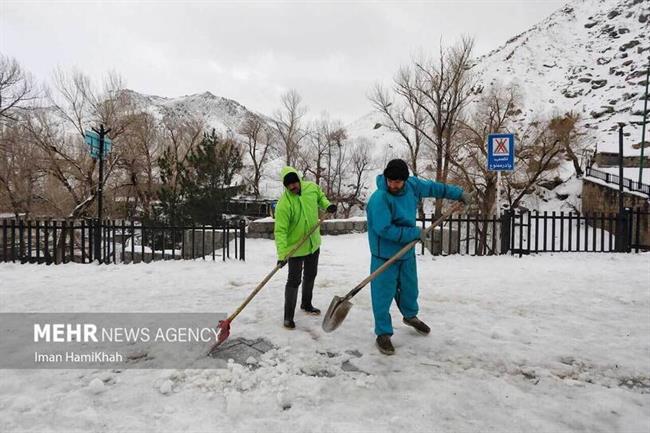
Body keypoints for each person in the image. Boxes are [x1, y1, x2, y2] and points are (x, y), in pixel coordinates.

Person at [366, 159, 473, 355]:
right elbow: (383, 229)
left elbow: (434, 188)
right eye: (390, 181)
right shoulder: (379, 198)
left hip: (406, 252)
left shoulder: (412, 186)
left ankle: (410, 316)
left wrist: (458, 194)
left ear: (405, 181)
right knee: (382, 295)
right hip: (384, 255)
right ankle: (383, 333)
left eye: (397, 182)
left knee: (409, 288)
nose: (393, 185)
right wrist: (414, 233)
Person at [274, 166, 336, 329]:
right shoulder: (284, 204)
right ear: (285, 186)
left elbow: (320, 197)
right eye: (289, 185)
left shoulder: (311, 188)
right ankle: (288, 316)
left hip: (313, 244)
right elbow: (280, 231)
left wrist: (327, 205)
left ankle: (306, 304)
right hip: (295, 249)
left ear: (299, 180)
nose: (293, 187)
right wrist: (282, 255)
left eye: (295, 183)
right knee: (294, 281)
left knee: (311, 275)